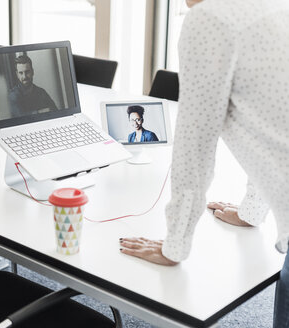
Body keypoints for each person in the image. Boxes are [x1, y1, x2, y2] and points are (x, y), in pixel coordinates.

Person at [118, 0, 289, 326]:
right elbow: (271, 123)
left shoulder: (209, 19)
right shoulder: (271, 7)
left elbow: (195, 147)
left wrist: (174, 245)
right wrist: (252, 211)